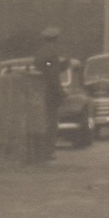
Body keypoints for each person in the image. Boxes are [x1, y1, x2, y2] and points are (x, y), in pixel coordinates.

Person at [33, 26, 65, 155]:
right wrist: (60, 91)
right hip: (50, 92)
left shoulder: (40, 52)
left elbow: (42, 69)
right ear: (56, 39)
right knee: (51, 122)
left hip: (38, 90)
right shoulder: (52, 53)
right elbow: (53, 75)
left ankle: (41, 150)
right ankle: (48, 151)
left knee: (41, 121)